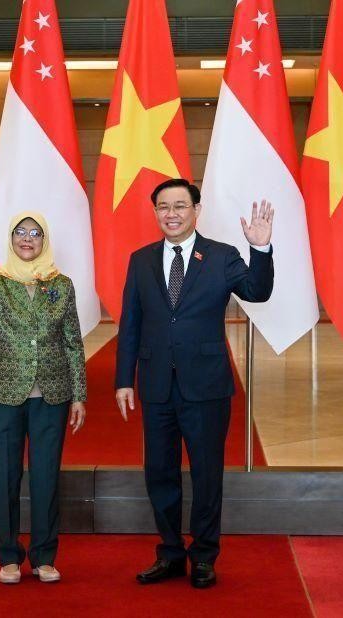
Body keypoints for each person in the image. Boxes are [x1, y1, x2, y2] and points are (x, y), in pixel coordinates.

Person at [115, 178, 274, 589]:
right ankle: (170, 553)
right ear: (155, 213)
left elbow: (257, 291)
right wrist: (123, 381)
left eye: (180, 206)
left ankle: (204, 556)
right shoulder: (141, 260)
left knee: (206, 475)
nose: (171, 213)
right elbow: (130, 323)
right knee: (159, 473)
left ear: (196, 210)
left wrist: (260, 249)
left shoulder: (221, 257)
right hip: (155, 387)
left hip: (206, 387)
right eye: (163, 207)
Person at [0, 212, 87, 585]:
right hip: (2, 395)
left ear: (45, 240)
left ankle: (44, 556)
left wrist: (78, 395)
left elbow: (73, 343)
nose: (27, 239)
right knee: (4, 476)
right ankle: (9, 556)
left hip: (52, 395)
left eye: (35, 233)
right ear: (11, 239)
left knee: (45, 477)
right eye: (20, 233)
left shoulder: (62, 284)